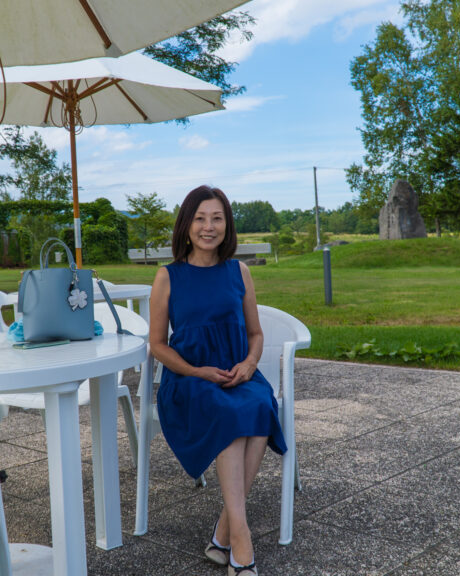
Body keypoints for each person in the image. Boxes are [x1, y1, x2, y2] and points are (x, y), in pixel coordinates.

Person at [149, 185, 285, 576]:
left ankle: (226, 530)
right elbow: (157, 345)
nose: (209, 227)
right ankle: (241, 539)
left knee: (260, 405)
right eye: (200, 218)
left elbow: (255, 334)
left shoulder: (239, 272)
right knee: (229, 414)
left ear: (227, 225)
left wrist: (249, 363)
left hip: (237, 371)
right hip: (189, 379)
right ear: (186, 225)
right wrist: (197, 371)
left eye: (217, 218)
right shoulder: (168, 276)